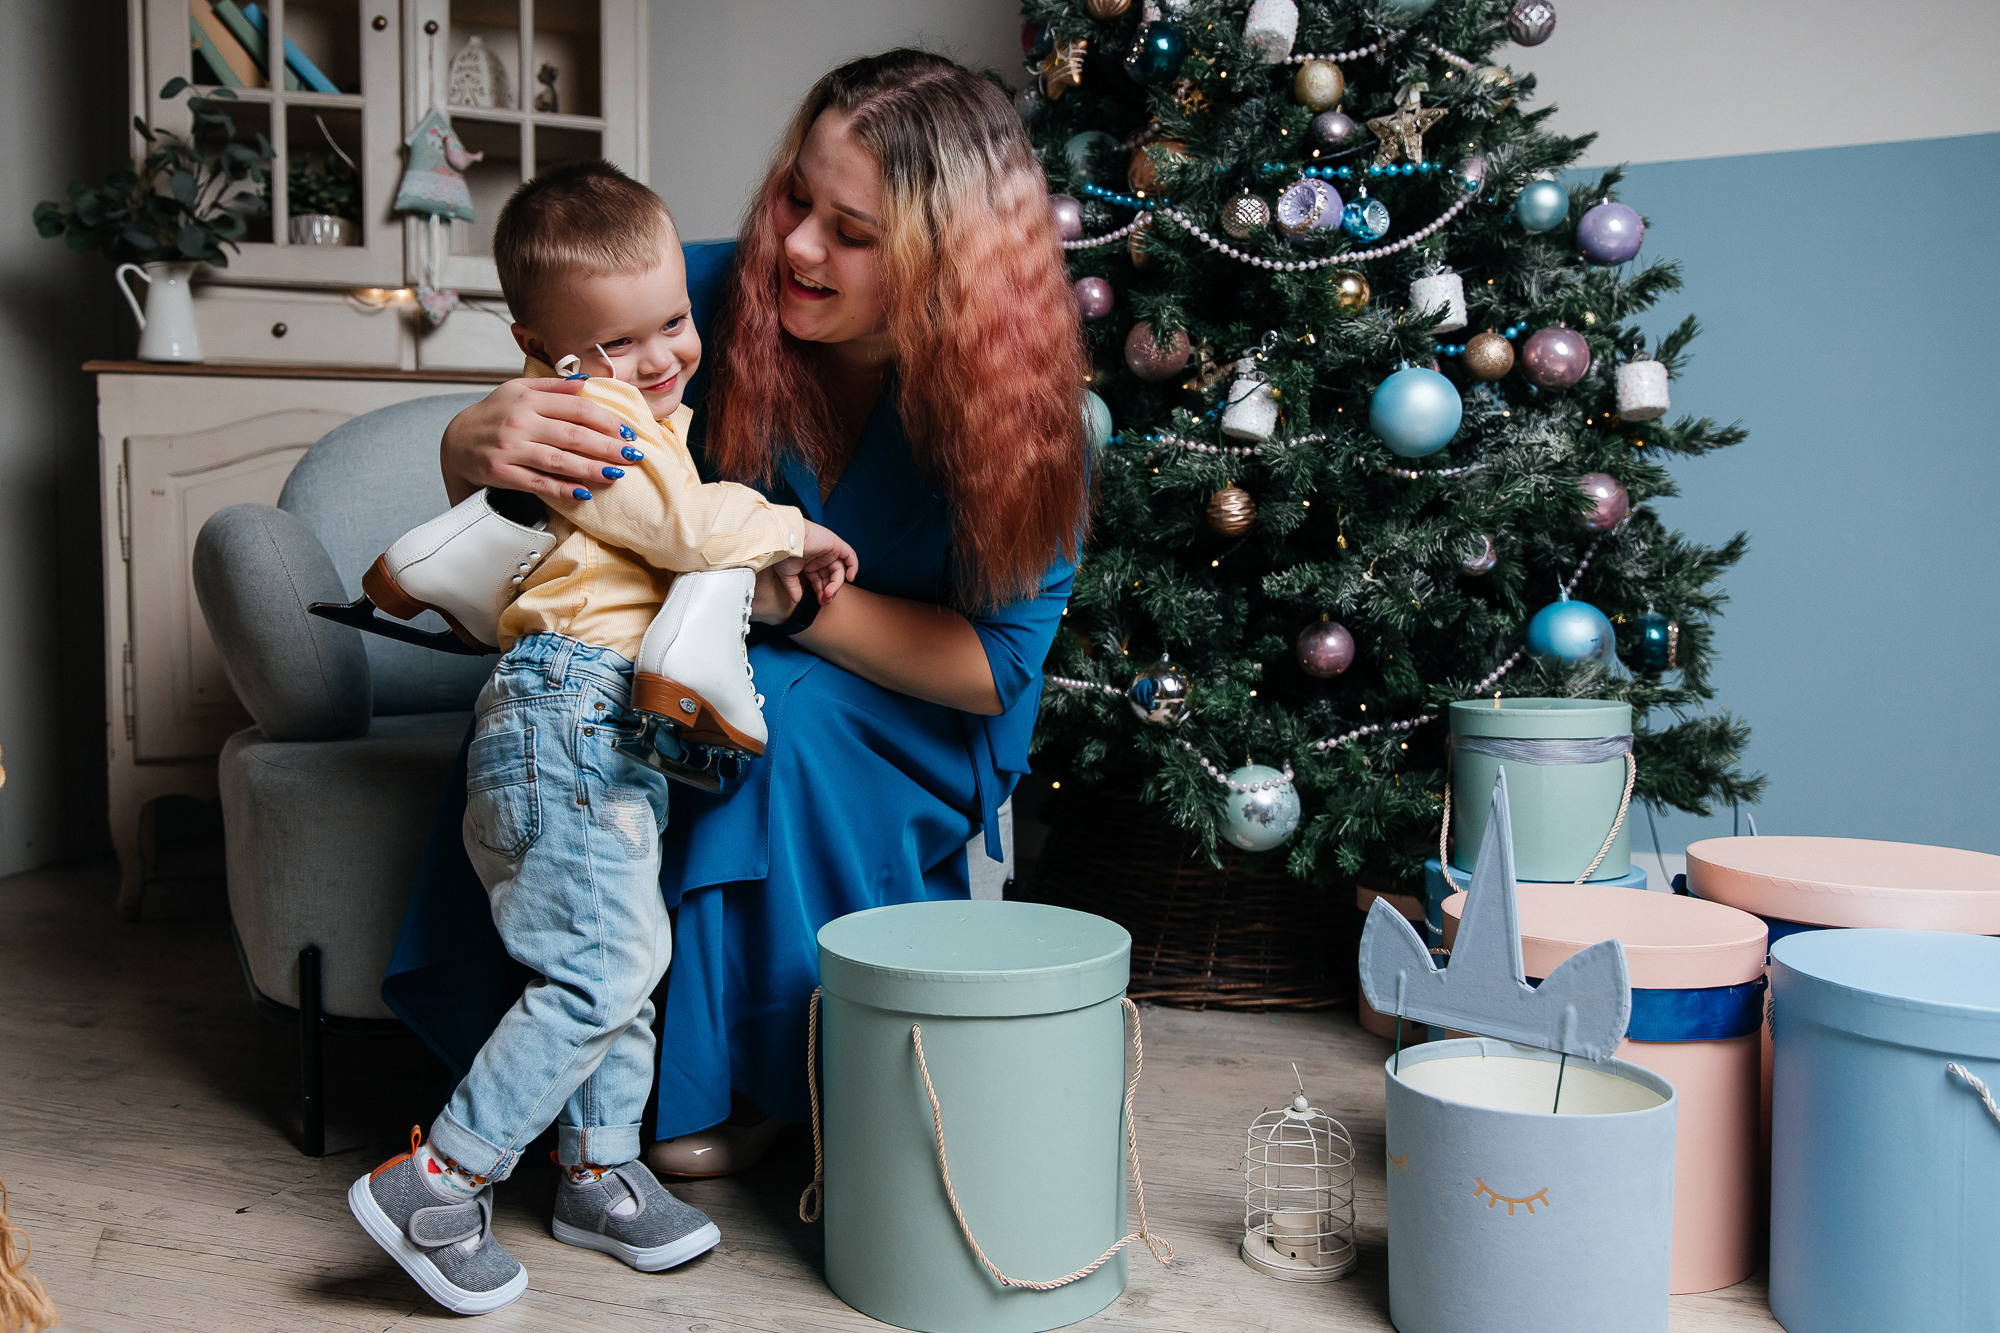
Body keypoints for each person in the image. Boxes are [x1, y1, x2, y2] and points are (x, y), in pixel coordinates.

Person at [383, 48, 1089, 1198]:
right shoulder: (701, 295)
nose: (798, 247)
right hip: (678, 646)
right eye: (792, 199)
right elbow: (546, 391)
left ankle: (753, 1081)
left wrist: (775, 602)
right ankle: (551, 1050)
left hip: (908, 712)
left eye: (851, 232)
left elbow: (987, 668)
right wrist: (470, 437)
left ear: (949, 259)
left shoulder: (1032, 414)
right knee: (571, 705)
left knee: (770, 725)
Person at [348, 161, 858, 1316]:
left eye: (673, 319)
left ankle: (597, 1170)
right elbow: (681, 529)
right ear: (545, 351)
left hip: (595, 726)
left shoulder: (639, 406)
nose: (664, 356)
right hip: (563, 717)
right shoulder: (593, 425)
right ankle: (441, 1180)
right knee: (601, 966)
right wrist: (786, 528)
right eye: (617, 343)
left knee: (615, 962)